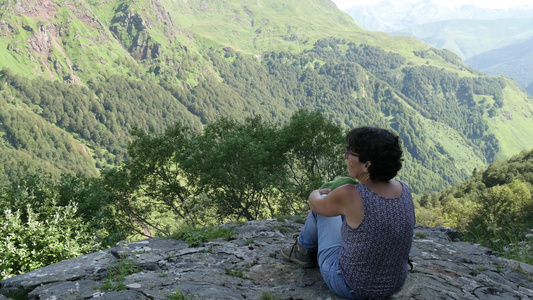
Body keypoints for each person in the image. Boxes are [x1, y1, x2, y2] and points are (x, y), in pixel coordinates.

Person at [281, 127, 415, 300]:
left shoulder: (351, 193)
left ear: (367, 165)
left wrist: (316, 192)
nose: (345, 156)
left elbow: (316, 205)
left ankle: (302, 251)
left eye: (350, 153)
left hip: (351, 286)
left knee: (322, 206)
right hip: (393, 286)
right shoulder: (404, 189)